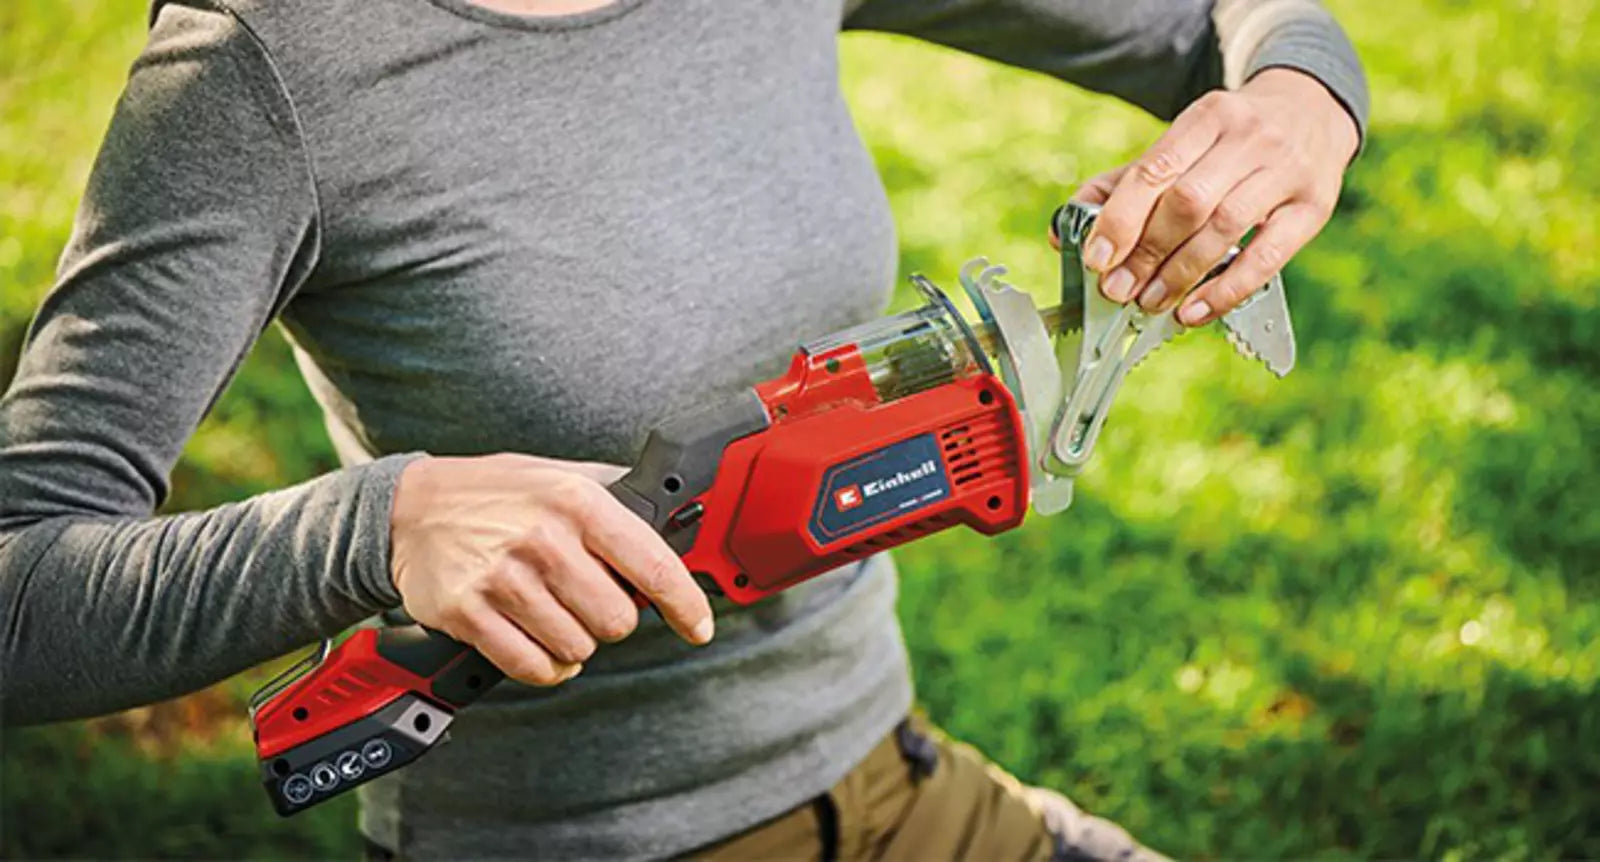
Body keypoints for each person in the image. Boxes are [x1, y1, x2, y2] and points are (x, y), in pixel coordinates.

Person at [0, 0, 1367, 857]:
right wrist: (379, 525)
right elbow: (19, 587)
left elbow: (1219, 22)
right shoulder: (267, 68)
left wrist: (1300, 104)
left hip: (891, 784)